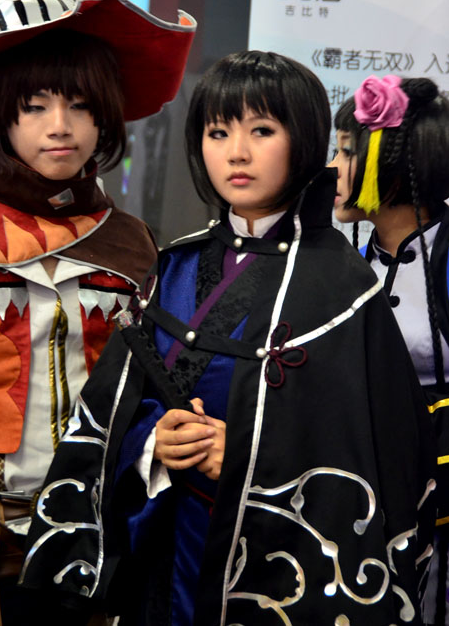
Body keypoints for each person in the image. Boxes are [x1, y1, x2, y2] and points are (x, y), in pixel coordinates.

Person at [22, 51, 436, 625]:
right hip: (166, 558)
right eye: (218, 132)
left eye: (262, 131)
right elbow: (111, 412)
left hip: (275, 575)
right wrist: (152, 445)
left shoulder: (344, 288)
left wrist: (246, 457)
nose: (236, 153)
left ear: (304, 139)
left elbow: (372, 454)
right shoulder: (174, 266)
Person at [0, 0, 196, 624]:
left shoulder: (133, 242)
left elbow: (149, 385)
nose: (60, 125)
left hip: (92, 526)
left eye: (81, 105)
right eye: (34, 106)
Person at [329, 74, 449, 625]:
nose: (332, 167)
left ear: (393, 163)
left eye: (346, 152)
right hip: (364, 502)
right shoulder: (345, 261)